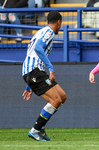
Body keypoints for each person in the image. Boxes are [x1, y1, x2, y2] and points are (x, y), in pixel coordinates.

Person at [22, 10, 67, 141]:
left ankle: (40, 128)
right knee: (56, 100)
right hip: (34, 71)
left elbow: (33, 54)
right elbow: (37, 48)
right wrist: (51, 68)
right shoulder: (49, 32)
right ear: (59, 22)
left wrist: (28, 84)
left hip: (34, 72)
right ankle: (35, 130)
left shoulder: (40, 32)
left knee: (62, 96)